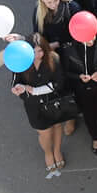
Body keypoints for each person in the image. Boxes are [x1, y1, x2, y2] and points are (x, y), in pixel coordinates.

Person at [11, 34, 70, 178]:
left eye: (40, 50)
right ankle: (48, 153)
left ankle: (57, 150)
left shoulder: (53, 59)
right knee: (44, 132)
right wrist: (17, 89)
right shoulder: (21, 61)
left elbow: (58, 83)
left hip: (53, 101)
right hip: (34, 105)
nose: (37, 55)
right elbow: (15, 82)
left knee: (57, 126)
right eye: (33, 51)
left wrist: (34, 90)